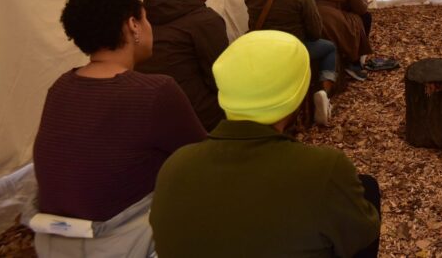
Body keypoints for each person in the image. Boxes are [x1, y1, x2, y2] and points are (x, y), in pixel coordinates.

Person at [150, 30, 381, 258]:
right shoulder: (324, 170)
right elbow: (362, 234)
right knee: (366, 190)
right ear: (297, 96)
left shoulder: (174, 167)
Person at [30, 0, 206, 257]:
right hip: (125, 242)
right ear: (133, 25)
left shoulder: (61, 86)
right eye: (145, 18)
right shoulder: (155, 91)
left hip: (54, 243)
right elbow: (203, 161)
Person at [246, 0, 337, 125]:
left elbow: (252, 23)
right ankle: (324, 95)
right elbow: (315, 31)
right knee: (330, 48)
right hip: (292, 50)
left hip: (261, 48)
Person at [136, 0, 229, 131]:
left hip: (143, 106)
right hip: (191, 112)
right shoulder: (205, 20)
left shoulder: (145, 12)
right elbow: (219, 76)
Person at [310, 0, 374, 81]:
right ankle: (354, 62)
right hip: (330, 18)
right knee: (364, 17)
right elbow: (360, 8)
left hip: (312, 14)